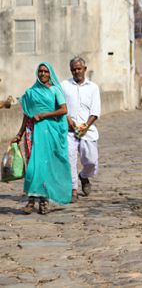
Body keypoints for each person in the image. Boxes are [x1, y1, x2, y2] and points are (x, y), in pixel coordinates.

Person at [12, 62, 72, 214]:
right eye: (40, 71)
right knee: (33, 167)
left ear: (50, 73)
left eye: (46, 71)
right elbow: (27, 114)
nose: (43, 74)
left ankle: (44, 202)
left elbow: (63, 110)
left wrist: (45, 115)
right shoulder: (31, 92)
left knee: (44, 166)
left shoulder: (55, 90)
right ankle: (31, 201)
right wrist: (20, 134)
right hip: (32, 132)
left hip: (50, 131)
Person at [61, 57, 101, 201]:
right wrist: (68, 119)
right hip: (69, 131)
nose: (76, 71)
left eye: (79, 68)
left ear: (84, 69)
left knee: (91, 161)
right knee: (70, 160)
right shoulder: (64, 85)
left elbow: (95, 111)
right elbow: (60, 105)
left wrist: (86, 125)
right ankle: (73, 190)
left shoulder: (93, 87)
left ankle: (84, 176)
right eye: (73, 69)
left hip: (87, 131)